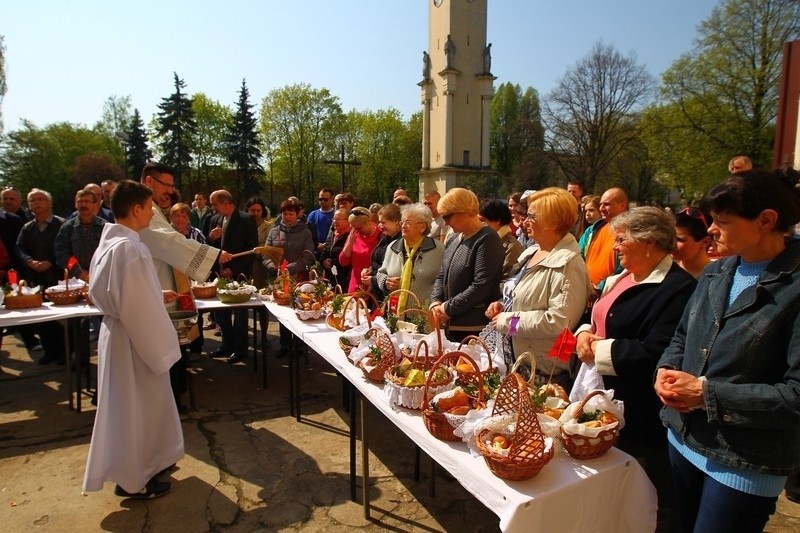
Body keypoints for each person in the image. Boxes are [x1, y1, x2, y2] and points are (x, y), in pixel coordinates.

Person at [654, 169, 800, 533]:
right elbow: (682, 336)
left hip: (744, 460)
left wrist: (705, 394)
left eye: (722, 221)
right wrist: (665, 370)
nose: (712, 231)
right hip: (683, 440)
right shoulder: (716, 273)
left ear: (766, 220)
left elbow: (796, 396)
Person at [576, 207, 697, 532]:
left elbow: (657, 351)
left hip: (641, 413)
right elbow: (599, 316)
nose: (615, 247)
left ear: (649, 242)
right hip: (603, 395)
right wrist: (584, 333)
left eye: (621, 239)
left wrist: (597, 348)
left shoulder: (678, 289)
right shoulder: (623, 277)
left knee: (650, 492)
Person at [83, 179, 183, 500]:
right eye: (151, 207)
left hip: (116, 334)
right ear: (137, 209)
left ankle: (138, 466)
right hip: (136, 342)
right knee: (141, 409)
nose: (153, 212)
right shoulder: (132, 247)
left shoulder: (108, 244)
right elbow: (139, 310)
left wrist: (157, 292)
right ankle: (138, 477)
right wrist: (163, 350)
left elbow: (123, 292)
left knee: (124, 408)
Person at [486, 188, 591, 386]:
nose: (525, 221)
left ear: (552, 222)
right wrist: (504, 304)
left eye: (532, 216)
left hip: (543, 373)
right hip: (518, 361)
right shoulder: (533, 252)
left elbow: (558, 322)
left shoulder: (569, 265)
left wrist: (509, 321)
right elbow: (525, 296)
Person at [430, 188, 504, 341]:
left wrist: (447, 308)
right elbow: (442, 274)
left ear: (464, 211)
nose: (446, 223)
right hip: (451, 325)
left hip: (473, 330)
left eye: (447, 217)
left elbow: (482, 286)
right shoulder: (453, 239)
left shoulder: (487, 239)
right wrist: (435, 302)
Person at [207, 190, 258, 365]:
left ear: (225, 202)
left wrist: (233, 268)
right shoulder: (214, 219)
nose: (212, 208)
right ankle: (226, 345)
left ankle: (240, 349)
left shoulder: (246, 219)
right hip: (220, 275)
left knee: (240, 314)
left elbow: (252, 251)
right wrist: (212, 238)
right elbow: (209, 248)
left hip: (239, 275)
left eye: (214, 204)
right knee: (221, 312)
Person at [16, 189, 67, 365]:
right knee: (42, 318)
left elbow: (65, 248)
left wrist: (50, 262)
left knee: (60, 319)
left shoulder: (61, 224)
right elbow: (19, 248)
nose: (36, 203)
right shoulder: (27, 228)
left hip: (57, 279)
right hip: (36, 279)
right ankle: (49, 351)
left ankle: (64, 352)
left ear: (49, 203)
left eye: (40, 199)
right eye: (32, 201)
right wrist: (30, 261)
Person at [264, 198, 315, 358]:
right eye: (285, 213)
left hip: (298, 277)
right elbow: (266, 254)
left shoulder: (305, 231)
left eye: (291, 213)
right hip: (279, 279)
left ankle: (300, 346)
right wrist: (274, 268)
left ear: (297, 214)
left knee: (299, 310)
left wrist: (291, 267)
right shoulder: (273, 231)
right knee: (283, 312)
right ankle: (284, 345)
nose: (287, 216)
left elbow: (309, 256)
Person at [376, 203, 443, 313]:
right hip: (394, 314)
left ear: (423, 227)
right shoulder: (393, 247)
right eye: (402, 221)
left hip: (424, 314)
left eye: (408, 222)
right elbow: (380, 273)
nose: (403, 225)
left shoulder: (438, 250)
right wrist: (385, 281)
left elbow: (444, 282)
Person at [169, 202, 207, 360]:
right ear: (171, 218)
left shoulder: (197, 234)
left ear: (188, 218)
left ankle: (196, 348)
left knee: (194, 312)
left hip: (192, 279)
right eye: (176, 215)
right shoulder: (166, 234)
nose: (180, 219)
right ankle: (176, 349)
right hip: (171, 278)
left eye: (183, 216)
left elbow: (204, 256)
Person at [584, 187, 628, 291]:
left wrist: (600, 288)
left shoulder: (630, 232)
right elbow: (578, 256)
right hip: (585, 293)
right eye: (600, 204)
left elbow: (626, 268)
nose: (601, 208)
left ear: (623, 205)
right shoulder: (592, 230)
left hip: (611, 293)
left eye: (606, 204)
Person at [361, 203, 401, 302]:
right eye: (380, 222)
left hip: (387, 295)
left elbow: (393, 273)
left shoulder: (400, 243)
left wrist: (373, 280)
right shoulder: (385, 238)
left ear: (396, 222)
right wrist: (370, 269)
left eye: (383, 222)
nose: (380, 226)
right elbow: (378, 261)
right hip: (377, 292)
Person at [479, 198, 523, 284]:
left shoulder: (512, 247)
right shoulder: (483, 241)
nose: (479, 224)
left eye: (482, 220)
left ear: (497, 221)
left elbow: (507, 282)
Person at [339, 206, 382, 293]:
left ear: (369, 221)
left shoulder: (381, 236)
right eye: (354, 228)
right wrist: (349, 243)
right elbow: (343, 261)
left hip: (372, 285)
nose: (357, 231)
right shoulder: (354, 235)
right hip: (355, 285)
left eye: (359, 228)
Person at [672, 207, 711, 278]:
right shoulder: (664, 272)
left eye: (679, 240)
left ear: (705, 242)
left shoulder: (719, 276)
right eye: (670, 238)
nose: (671, 244)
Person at [244, 196, 273, 288]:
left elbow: (267, 247)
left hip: (260, 264)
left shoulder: (269, 227)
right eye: (253, 210)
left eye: (258, 210)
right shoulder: (242, 225)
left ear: (263, 211)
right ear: (247, 210)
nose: (255, 213)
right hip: (244, 263)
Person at [320, 208, 351, 290]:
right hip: (329, 277)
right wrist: (323, 261)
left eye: (338, 219)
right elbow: (325, 250)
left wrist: (333, 262)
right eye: (334, 218)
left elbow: (348, 259)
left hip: (343, 279)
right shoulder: (332, 234)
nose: (335, 221)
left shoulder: (351, 236)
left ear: (348, 220)